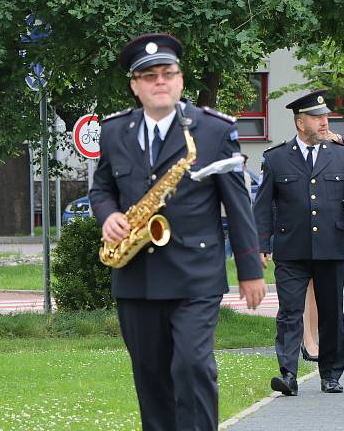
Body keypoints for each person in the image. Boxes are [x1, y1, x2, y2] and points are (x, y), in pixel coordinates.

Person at [90, 33, 265, 431]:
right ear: (135, 85)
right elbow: (102, 188)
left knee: (192, 366)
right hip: (136, 277)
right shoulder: (115, 131)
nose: (160, 82)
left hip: (195, 274)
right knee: (150, 378)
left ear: (181, 80)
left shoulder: (213, 130)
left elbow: (237, 203)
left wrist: (250, 269)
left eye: (168, 74)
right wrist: (108, 216)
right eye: (150, 76)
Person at [254, 89, 344, 396]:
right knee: (289, 312)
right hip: (291, 248)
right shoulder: (277, 158)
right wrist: (260, 244)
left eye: (325, 117)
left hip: (330, 249)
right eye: (316, 117)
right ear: (299, 122)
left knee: (332, 313)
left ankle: (331, 374)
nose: (324, 122)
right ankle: (288, 373)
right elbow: (263, 206)